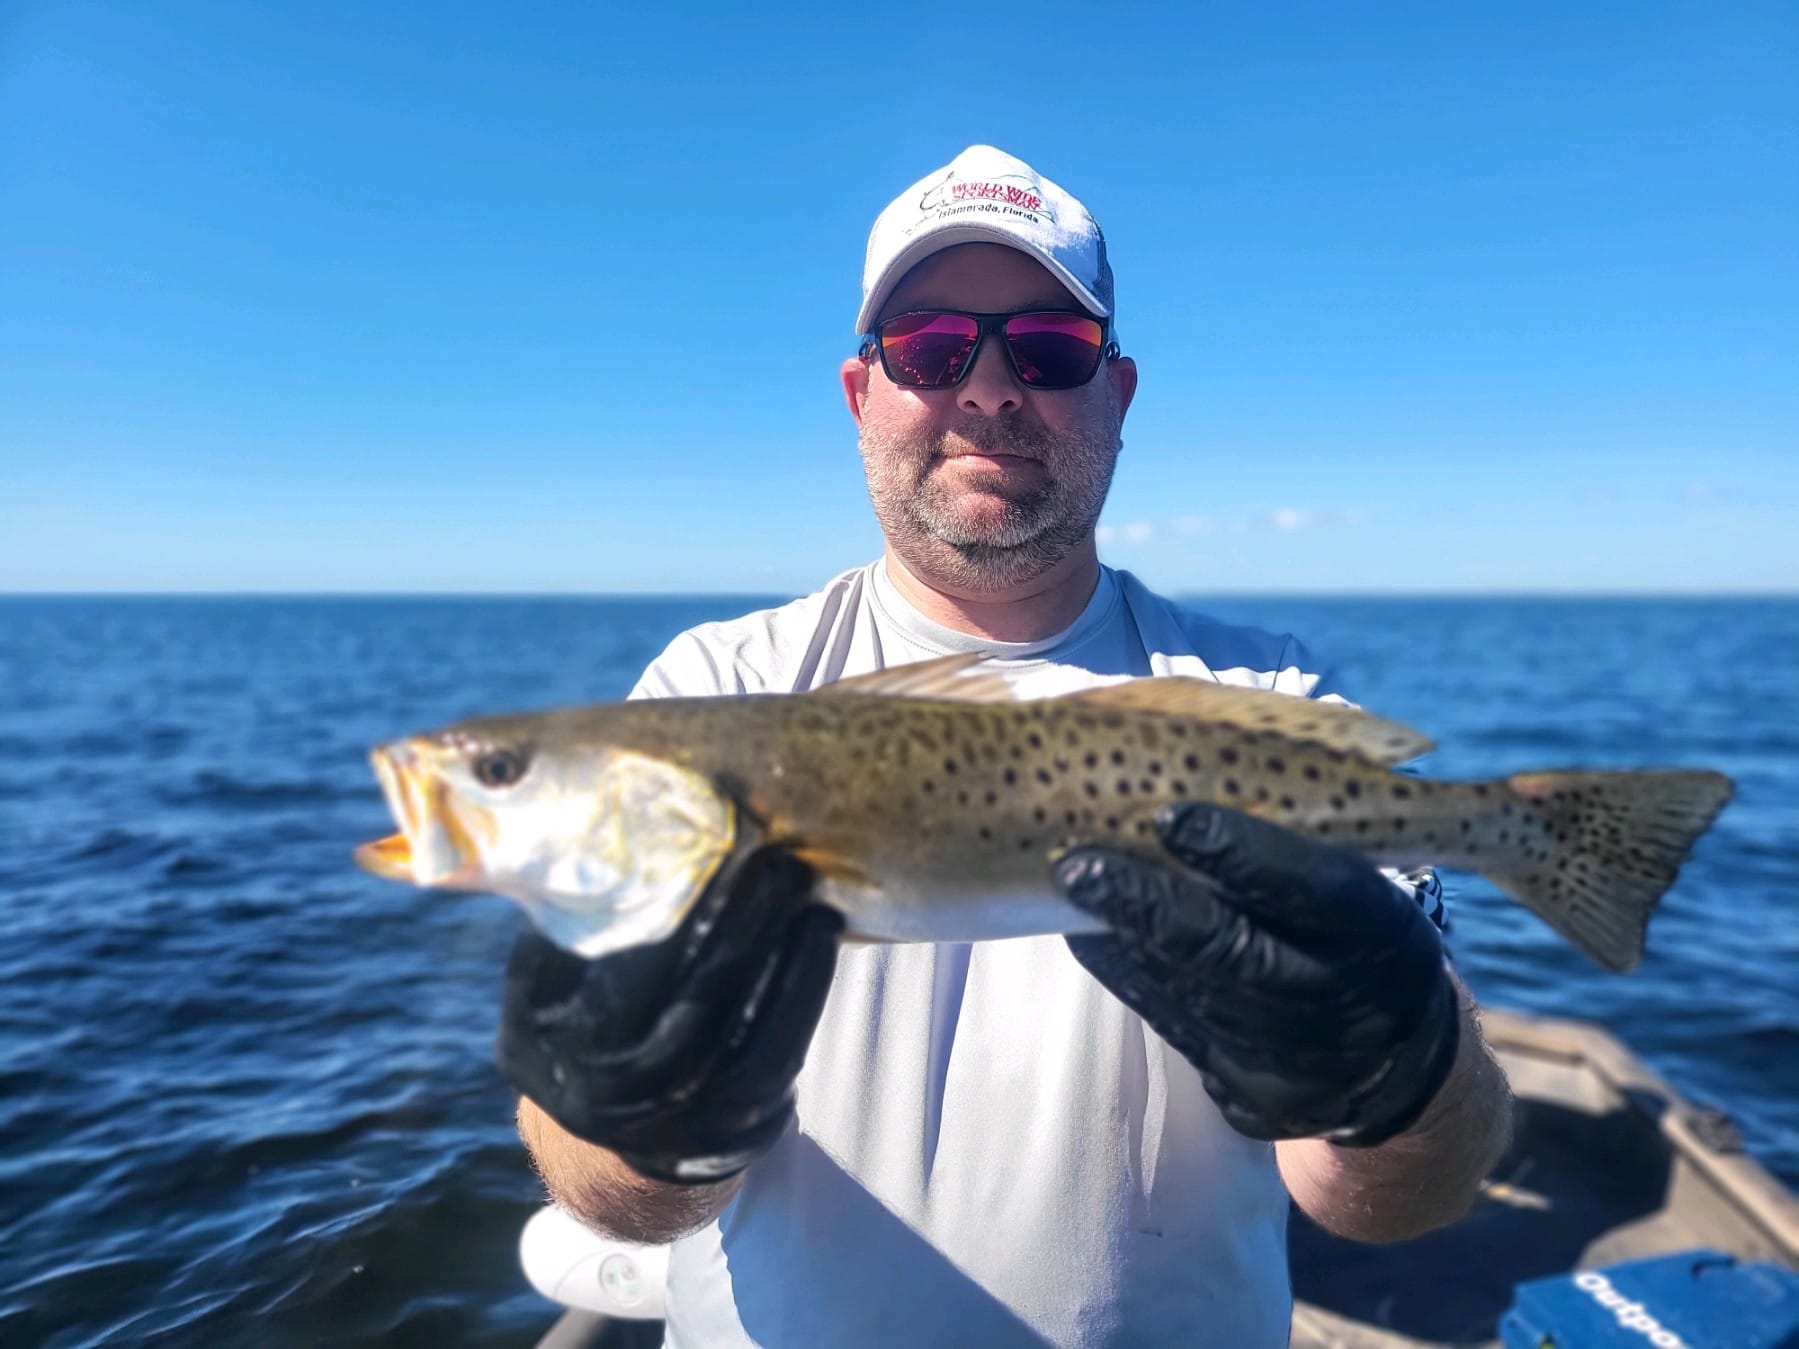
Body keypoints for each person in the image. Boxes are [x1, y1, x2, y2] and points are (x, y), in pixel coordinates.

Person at [500, 145, 1512, 1347]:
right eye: (928, 347)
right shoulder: (712, 692)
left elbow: (1393, 1194)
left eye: (1046, 349)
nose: (987, 390)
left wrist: (1399, 1072)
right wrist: (636, 1112)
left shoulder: (1268, 697)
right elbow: (621, 1195)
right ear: (857, 392)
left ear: (1117, 394)